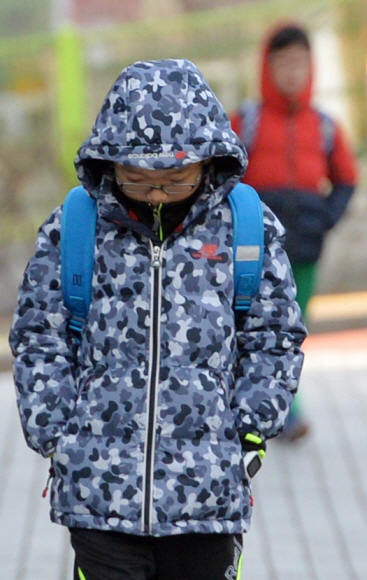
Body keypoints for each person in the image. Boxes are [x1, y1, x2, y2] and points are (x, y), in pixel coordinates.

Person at [9, 58, 307, 580]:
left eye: (173, 180)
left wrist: (250, 427)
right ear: (109, 164)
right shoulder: (74, 229)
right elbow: (40, 337)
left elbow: (274, 336)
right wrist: (55, 431)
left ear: (207, 163)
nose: (154, 194)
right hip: (99, 494)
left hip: (208, 498)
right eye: (136, 178)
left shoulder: (246, 229)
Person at [230, 23, 358, 441]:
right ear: (267, 67)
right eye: (283, 62)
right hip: (254, 251)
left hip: (303, 249)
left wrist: (324, 219)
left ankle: (285, 411)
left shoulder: (324, 127)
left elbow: (346, 180)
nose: (292, 72)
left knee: (290, 329)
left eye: (300, 62)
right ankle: (271, 410)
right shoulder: (244, 123)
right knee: (245, 326)